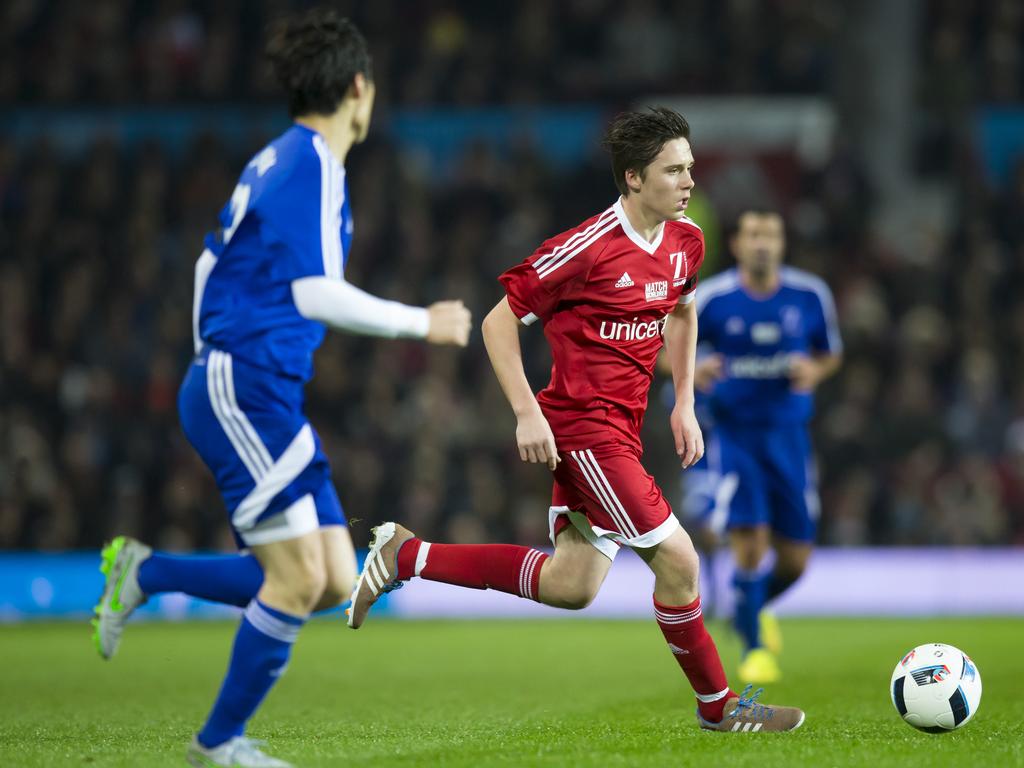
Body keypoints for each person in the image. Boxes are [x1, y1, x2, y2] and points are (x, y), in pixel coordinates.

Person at [91, 9, 471, 767]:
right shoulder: (310, 167)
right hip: (245, 387)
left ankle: (145, 572)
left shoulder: (281, 160)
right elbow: (313, 293)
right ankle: (218, 743)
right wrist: (418, 322)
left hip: (254, 385)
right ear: (359, 87)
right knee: (298, 579)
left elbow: (210, 263)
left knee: (329, 579)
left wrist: (214, 347)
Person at [347, 108, 804, 733]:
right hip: (583, 432)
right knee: (680, 561)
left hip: (622, 433)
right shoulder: (585, 248)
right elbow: (496, 322)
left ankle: (409, 556)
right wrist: (526, 413)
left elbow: (683, 314)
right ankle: (719, 708)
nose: (689, 181)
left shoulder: (686, 240)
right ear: (634, 178)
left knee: (572, 584)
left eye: (691, 168)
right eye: (674, 171)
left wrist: (685, 403)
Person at [684, 210, 842, 684]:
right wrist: (693, 368)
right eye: (752, 234)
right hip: (736, 436)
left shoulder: (810, 295)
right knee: (749, 542)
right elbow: (665, 351)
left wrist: (815, 372)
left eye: (770, 234)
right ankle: (754, 650)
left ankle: (750, 609)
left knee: (795, 561)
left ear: (782, 241)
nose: (762, 243)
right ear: (736, 243)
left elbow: (830, 352)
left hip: (790, 438)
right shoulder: (712, 300)